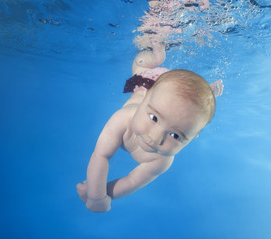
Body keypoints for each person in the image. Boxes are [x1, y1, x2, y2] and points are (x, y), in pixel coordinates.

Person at [76, 43, 223, 212]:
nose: (155, 138)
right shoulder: (122, 119)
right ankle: (157, 55)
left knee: (196, 104)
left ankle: (204, 92)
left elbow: (131, 181)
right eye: (153, 118)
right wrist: (96, 196)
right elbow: (100, 156)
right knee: (139, 64)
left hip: (167, 97)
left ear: (193, 137)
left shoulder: (162, 161)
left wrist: (99, 194)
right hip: (149, 80)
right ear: (145, 101)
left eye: (175, 136)